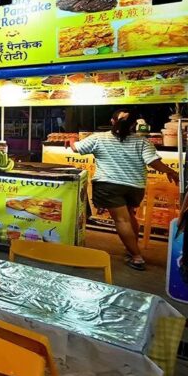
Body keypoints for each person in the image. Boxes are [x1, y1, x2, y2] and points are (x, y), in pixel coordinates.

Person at [73, 110, 178, 271]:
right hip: (135, 187)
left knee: (122, 220)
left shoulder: (99, 138)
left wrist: (73, 141)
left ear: (112, 121)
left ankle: (136, 257)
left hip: (109, 186)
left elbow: (77, 148)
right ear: (135, 125)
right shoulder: (142, 142)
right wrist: (170, 171)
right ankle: (132, 249)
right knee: (129, 216)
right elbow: (153, 162)